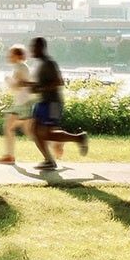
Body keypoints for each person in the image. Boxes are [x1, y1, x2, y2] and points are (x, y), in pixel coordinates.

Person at [0, 44, 62, 165]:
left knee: (10, 127)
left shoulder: (21, 68)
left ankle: (9, 156)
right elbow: (23, 85)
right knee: (30, 132)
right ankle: (56, 143)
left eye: (11, 54)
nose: (9, 56)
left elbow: (18, 86)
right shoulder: (21, 67)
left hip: (23, 104)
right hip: (24, 103)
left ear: (17, 56)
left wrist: (8, 80)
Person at [28, 37, 88, 170]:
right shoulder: (40, 64)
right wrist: (29, 85)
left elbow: (59, 82)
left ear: (40, 48)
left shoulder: (49, 63)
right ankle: (50, 159)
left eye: (34, 47)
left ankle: (78, 139)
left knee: (47, 134)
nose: (31, 49)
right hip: (43, 102)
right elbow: (40, 84)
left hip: (53, 103)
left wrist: (40, 88)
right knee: (34, 131)